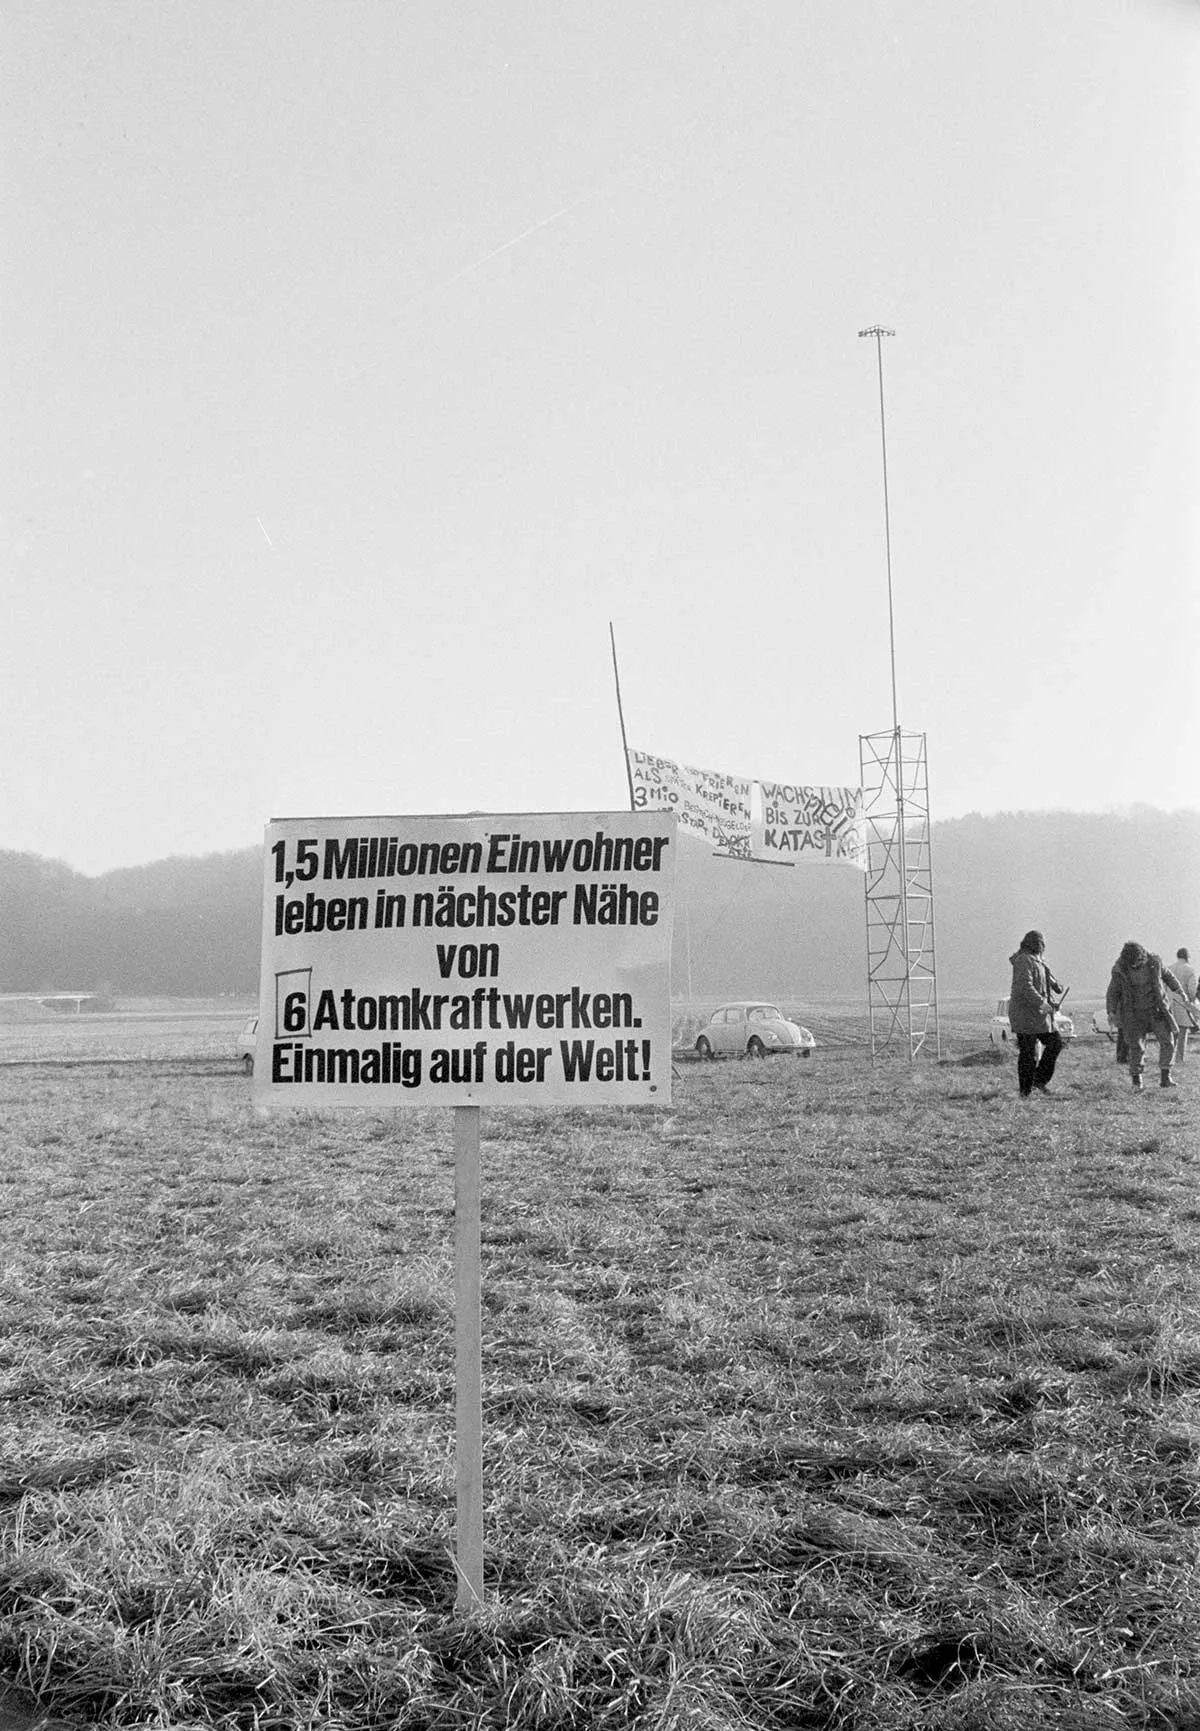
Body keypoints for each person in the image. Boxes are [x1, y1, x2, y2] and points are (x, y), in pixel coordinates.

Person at [1105, 942, 1186, 1090]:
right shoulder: (1119, 969)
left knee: (1168, 1042)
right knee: (1136, 1046)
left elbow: (1167, 975)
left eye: (1138, 963)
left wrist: (1179, 990)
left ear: (1143, 957)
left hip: (1157, 1010)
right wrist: (1111, 1011)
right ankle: (1137, 1081)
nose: (1135, 965)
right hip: (1133, 1014)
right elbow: (1113, 991)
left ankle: (1165, 1077)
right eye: (1132, 964)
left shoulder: (1155, 961)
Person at [1008, 930, 1066, 1098]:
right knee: (1028, 1053)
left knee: (1055, 1043)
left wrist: (1050, 1001)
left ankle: (1038, 1081)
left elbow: (1042, 987)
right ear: (1036, 944)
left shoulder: (1038, 962)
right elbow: (1025, 986)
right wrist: (1042, 1003)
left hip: (1039, 1016)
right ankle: (1025, 1091)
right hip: (1025, 1015)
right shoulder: (1024, 960)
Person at [1168, 947, 1199, 1066]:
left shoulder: (1169, 968)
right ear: (1187, 957)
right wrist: (1192, 1003)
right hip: (1183, 1004)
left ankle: (1169, 1057)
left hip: (1170, 1004)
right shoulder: (1190, 970)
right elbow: (1192, 990)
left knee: (1171, 1033)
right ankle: (1179, 1058)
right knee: (1182, 1033)